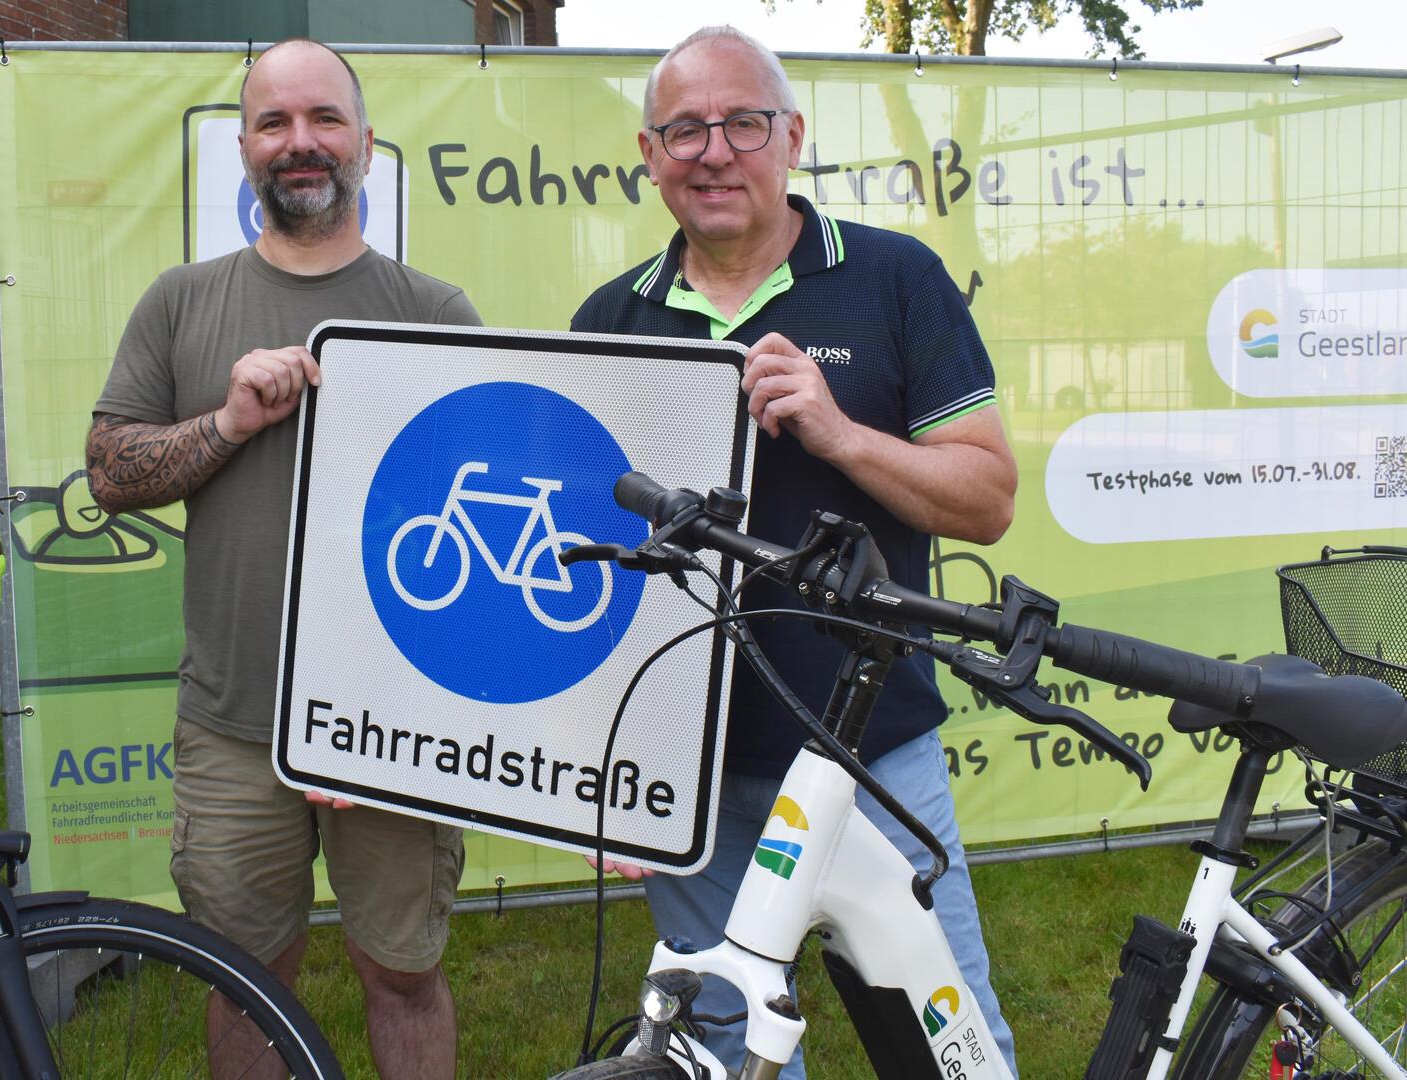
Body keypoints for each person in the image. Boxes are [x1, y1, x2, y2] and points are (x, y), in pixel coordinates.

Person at [569, 25, 1020, 1078]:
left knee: (949, 1046)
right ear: (649, 154)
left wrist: (840, 433)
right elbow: (590, 561)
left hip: (873, 752)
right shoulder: (611, 319)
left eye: (743, 123)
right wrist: (606, 774)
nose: (713, 150)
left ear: (792, 138)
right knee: (725, 1054)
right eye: (684, 129)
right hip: (690, 769)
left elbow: (989, 498)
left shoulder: (895, 279)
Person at [85, 39, 480, 1080]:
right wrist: (227, 420)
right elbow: (111, 476)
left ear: (366, 143)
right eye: (273, 122)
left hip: (392, 730)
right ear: (246, 149)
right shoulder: (182, 301)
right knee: (245, 981)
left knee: (402, 977)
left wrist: (385, 714)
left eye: (323, 119)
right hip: (234, 726)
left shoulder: (434, 313)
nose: (300, 141)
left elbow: (474, 547)